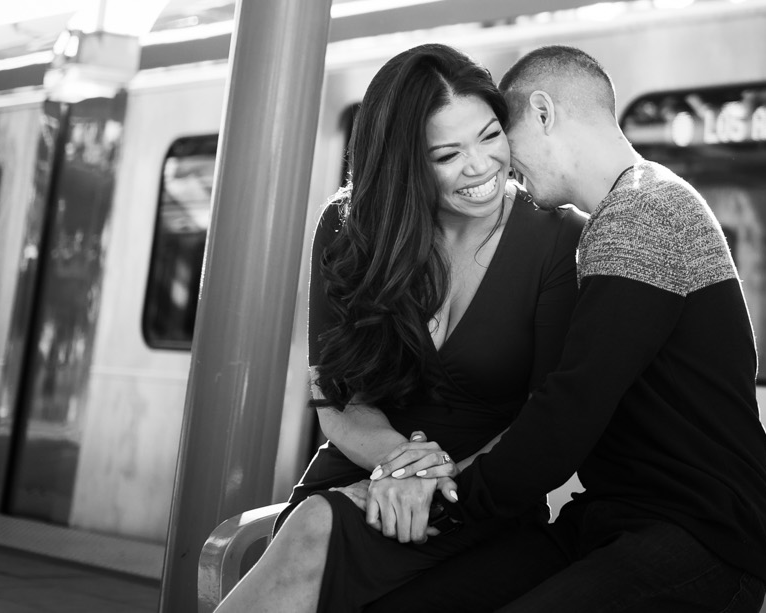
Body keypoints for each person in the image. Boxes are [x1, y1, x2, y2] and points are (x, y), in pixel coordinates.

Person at [369, 45, 766, 613]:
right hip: (613, 520)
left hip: (699, 538)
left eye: (503, 134)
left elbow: (569, 408)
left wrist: (444, 500)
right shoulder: (622, 214)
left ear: (542, 113)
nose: (502, 164)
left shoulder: (643, 212)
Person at [217, 44, 585, 613]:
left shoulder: (558, 239)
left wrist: (434, 483)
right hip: (361, 474)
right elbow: (336, 399)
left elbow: (547, 416)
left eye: (490, 136)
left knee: (320, 528)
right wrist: (397, 467)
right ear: (405, 162)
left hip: (481, 497)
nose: (481, 166)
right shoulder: (347, 228)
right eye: (447, 154)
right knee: (317, 520)